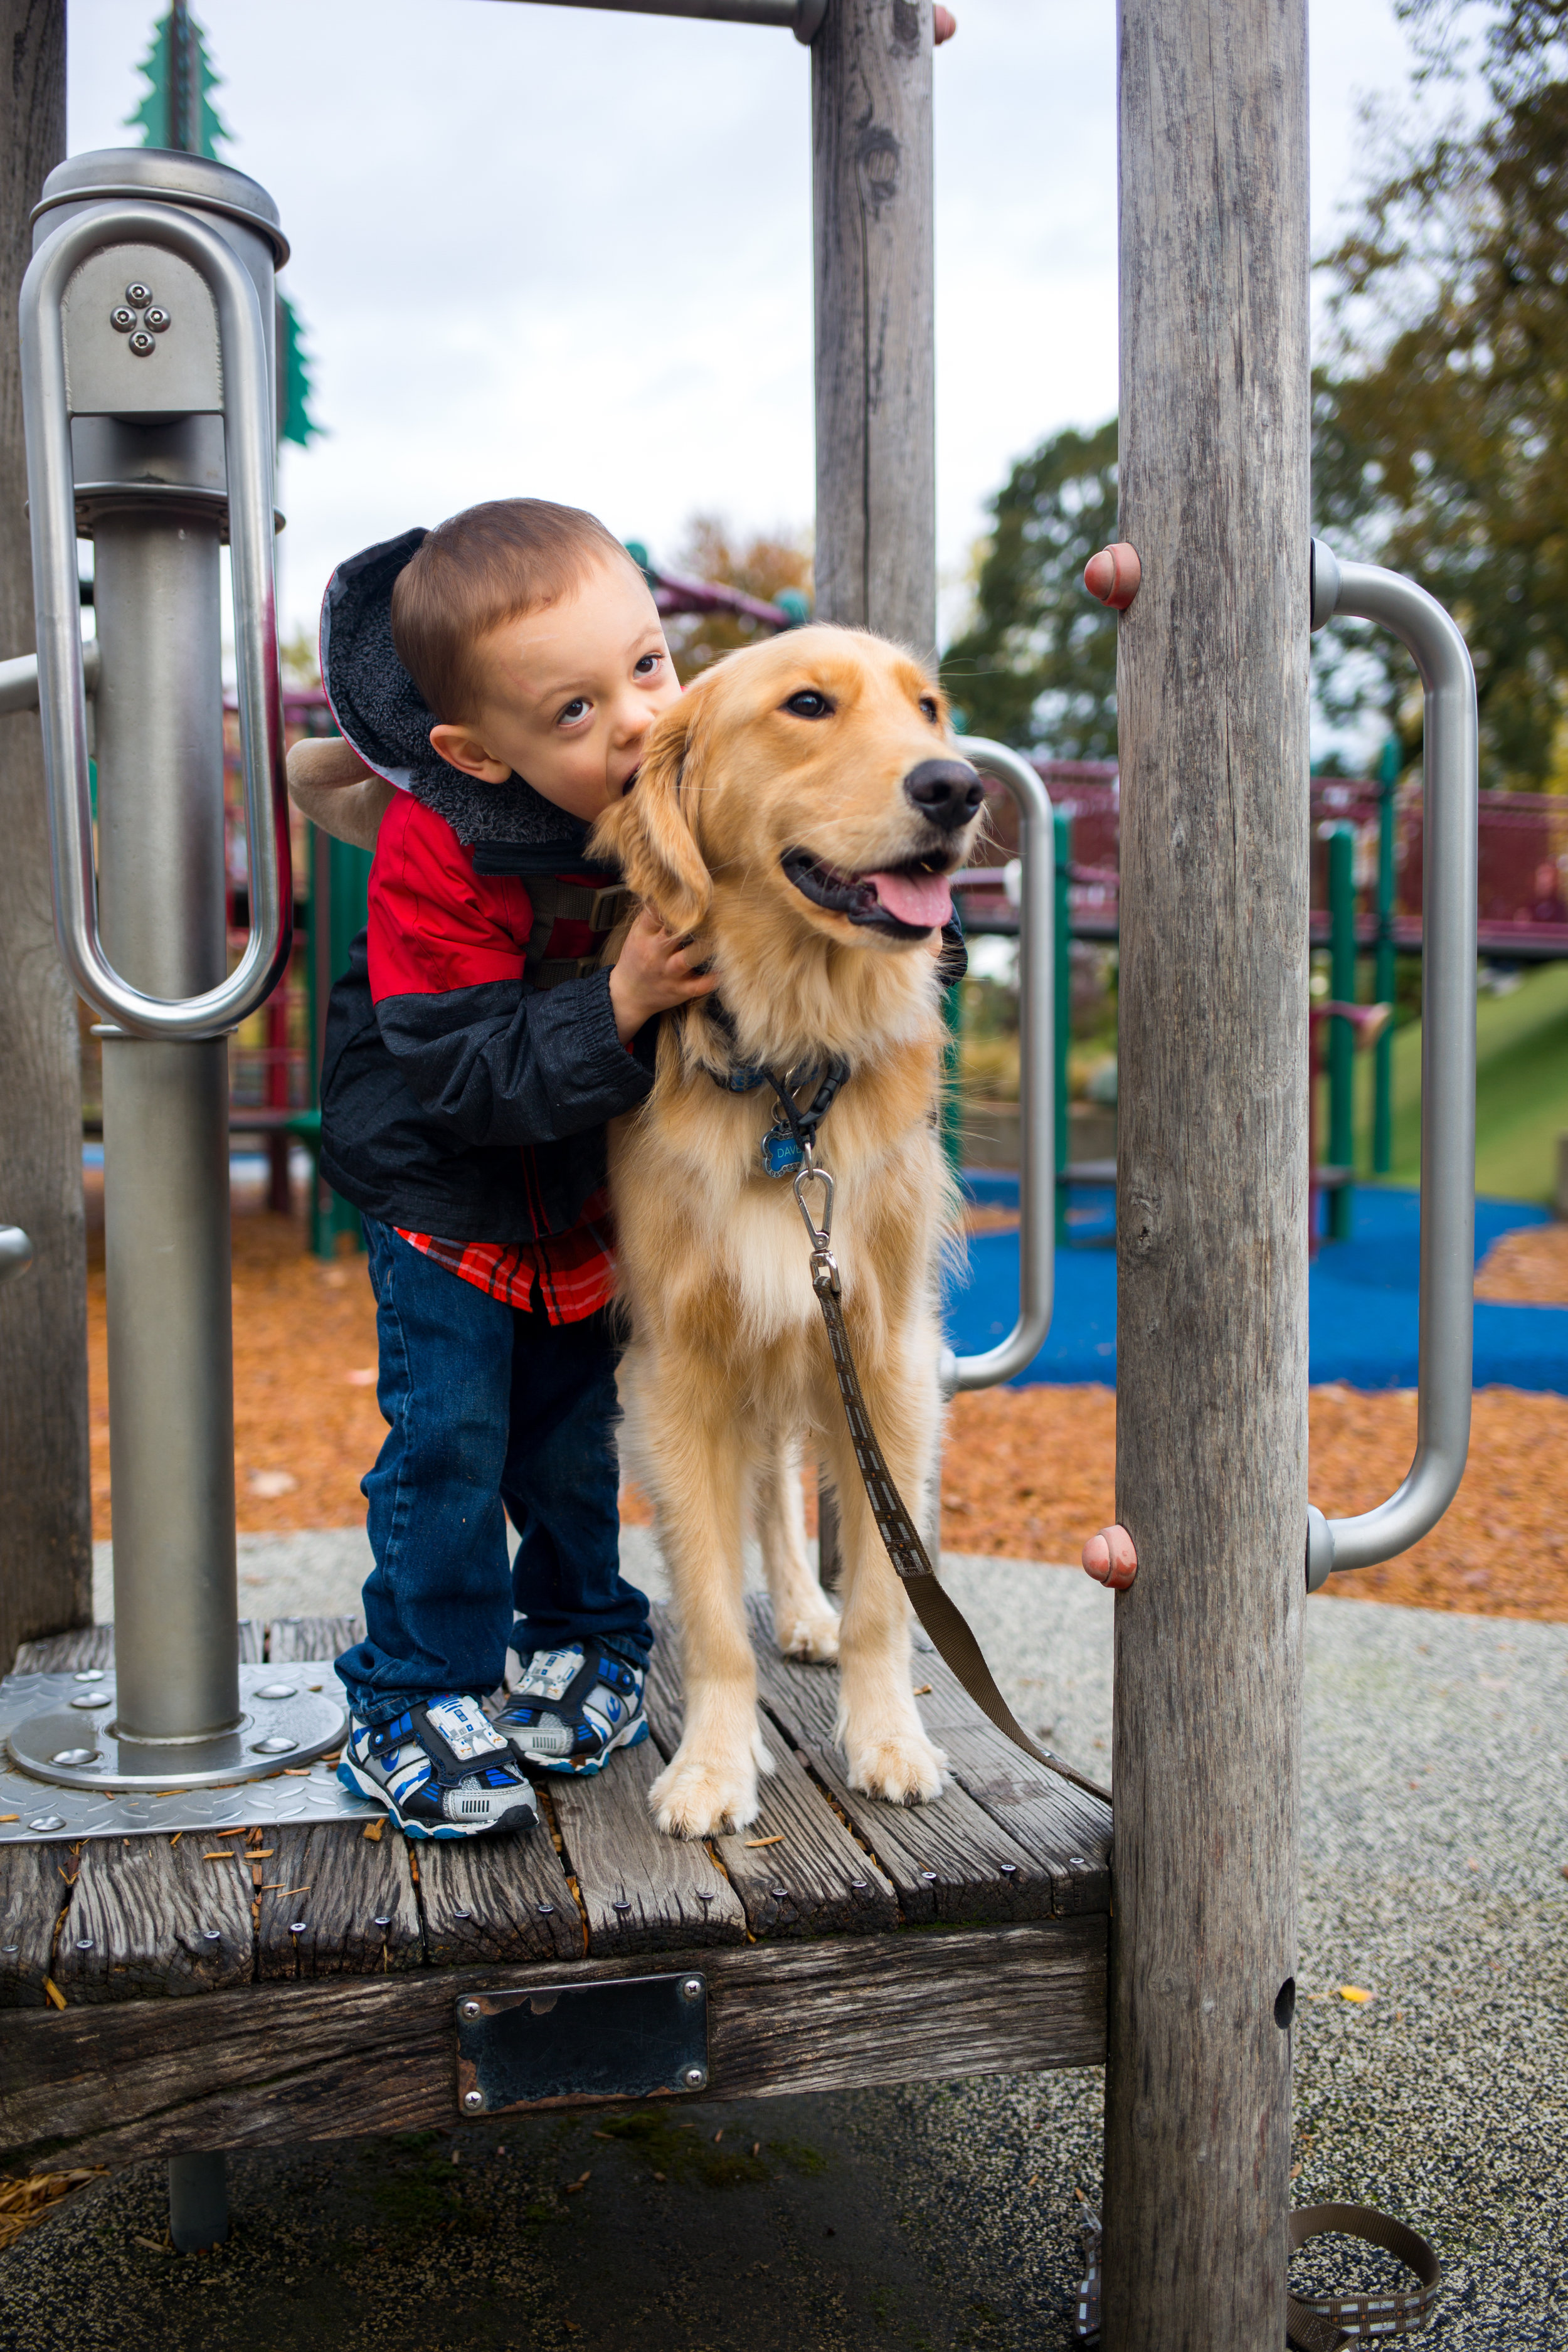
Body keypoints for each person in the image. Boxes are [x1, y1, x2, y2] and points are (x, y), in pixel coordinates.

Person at [288, 500, 716, 1838]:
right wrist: (622, 997)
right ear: (479, 750)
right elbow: (462, 1072)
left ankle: (588, 1637)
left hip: (574, 1189)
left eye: (648, 668)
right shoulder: (439, 847)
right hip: (444, 1189)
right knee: (453, 1441)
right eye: (576, 712)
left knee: (572, 1438)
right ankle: (413, 1695)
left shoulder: (665, 790)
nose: (640, 720)